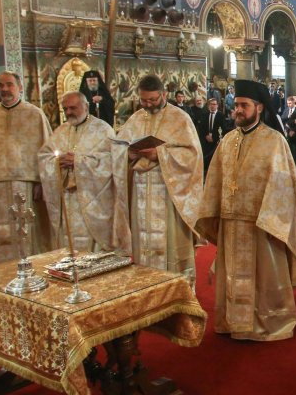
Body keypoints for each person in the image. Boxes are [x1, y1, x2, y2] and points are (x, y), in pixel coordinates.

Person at [197, 80, 296, 341]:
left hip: (262, 223)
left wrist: (270, 217)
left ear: (259, 107)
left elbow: (285, 185)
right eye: (236, 105)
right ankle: (232, 322)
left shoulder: (274, 142)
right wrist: (214, 210)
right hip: (231, 221)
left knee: (264, 278)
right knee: (233, 275)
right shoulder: (227, 141)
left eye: (244, 105)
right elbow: (215, 178)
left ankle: (267, 324)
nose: (237, 110)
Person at [115, 74, 204, 285]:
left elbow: (193, 155)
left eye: (153, 100)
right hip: (141, 192)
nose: (147, 104)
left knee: (169, 245)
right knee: (143, 242)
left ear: (164, 94)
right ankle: (145, 288)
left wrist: (161, 154)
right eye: (143, 100)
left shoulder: (180, 118)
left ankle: (175, 291)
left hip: (168, 190)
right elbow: (118, 149)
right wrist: (129, 154)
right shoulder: (135, 118)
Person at [0, 72, 52, 264]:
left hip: (26, 183)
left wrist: (42, 181)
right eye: (0, 85)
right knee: (0, 230)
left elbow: (45, 150)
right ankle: (3, 270)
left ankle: (31, 268)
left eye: (9, 84)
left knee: (26, 228)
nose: (4, 89)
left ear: (20, 87)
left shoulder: (34, 114)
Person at [37, 91, 129, 254]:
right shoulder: (60, 131)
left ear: (86, 106)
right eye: (65, 109)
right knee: (69, 243)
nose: (69, 112)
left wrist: (78, 162)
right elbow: (45, 157)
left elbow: (112, 162)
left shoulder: (103, 129)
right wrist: (57, 162)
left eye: (73, 108)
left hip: (93, 199)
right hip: (68, 201)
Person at [194, 96, 226, 174]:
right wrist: (206, 136)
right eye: (211, 104)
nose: (212, 106)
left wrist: (214, 138)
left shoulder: (221, 116)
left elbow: (223, 129)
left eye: (214, 104)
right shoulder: (204, 115)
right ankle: (205, 171)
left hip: (216, 141)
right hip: (206, 140)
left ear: (217, 105)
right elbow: (201, 128)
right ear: (208, 105)